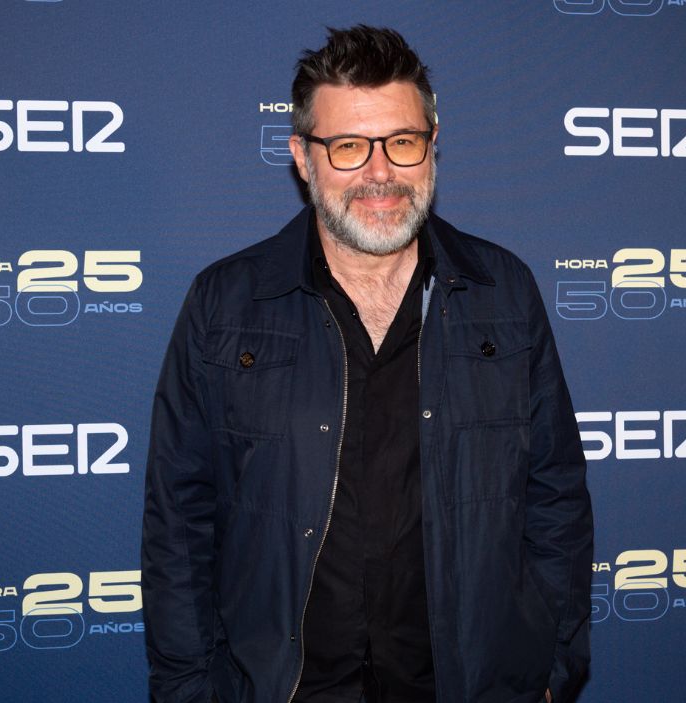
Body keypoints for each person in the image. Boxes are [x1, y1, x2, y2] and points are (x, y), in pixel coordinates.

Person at [143, 25, 592, 703]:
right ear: (302, 156)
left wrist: (551, 668)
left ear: (433, 145)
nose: (380, 173)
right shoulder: (225, 303)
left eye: (402, 142)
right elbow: (179, 524)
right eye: (349, 146)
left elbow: (554, 496)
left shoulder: (503, 292)